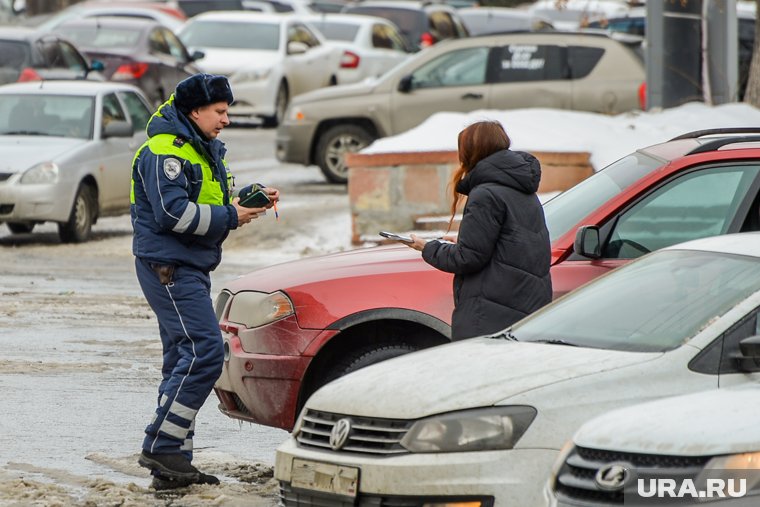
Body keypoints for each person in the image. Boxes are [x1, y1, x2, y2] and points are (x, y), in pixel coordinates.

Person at [130, 73, 280, 490]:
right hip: (170, 266)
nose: (226, 119)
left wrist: (247, 198)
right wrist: (232, 216)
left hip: (185, 265)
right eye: (220, 111)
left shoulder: (202, 147)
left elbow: (210, 202)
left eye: (227, 111)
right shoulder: (165, 152)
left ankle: (172, 463)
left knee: (182, 357)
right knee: (206, 353)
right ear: (195, 111)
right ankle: (162, 446)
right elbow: (174, 215)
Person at [406, 120, 552, 340]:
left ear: (470, 152)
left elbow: (468, 258)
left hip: (491, 314)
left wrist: (427, 248)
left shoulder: (485, 194)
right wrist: (464, 239)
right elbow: (512, 243)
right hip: (525, 307)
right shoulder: (523, 189)